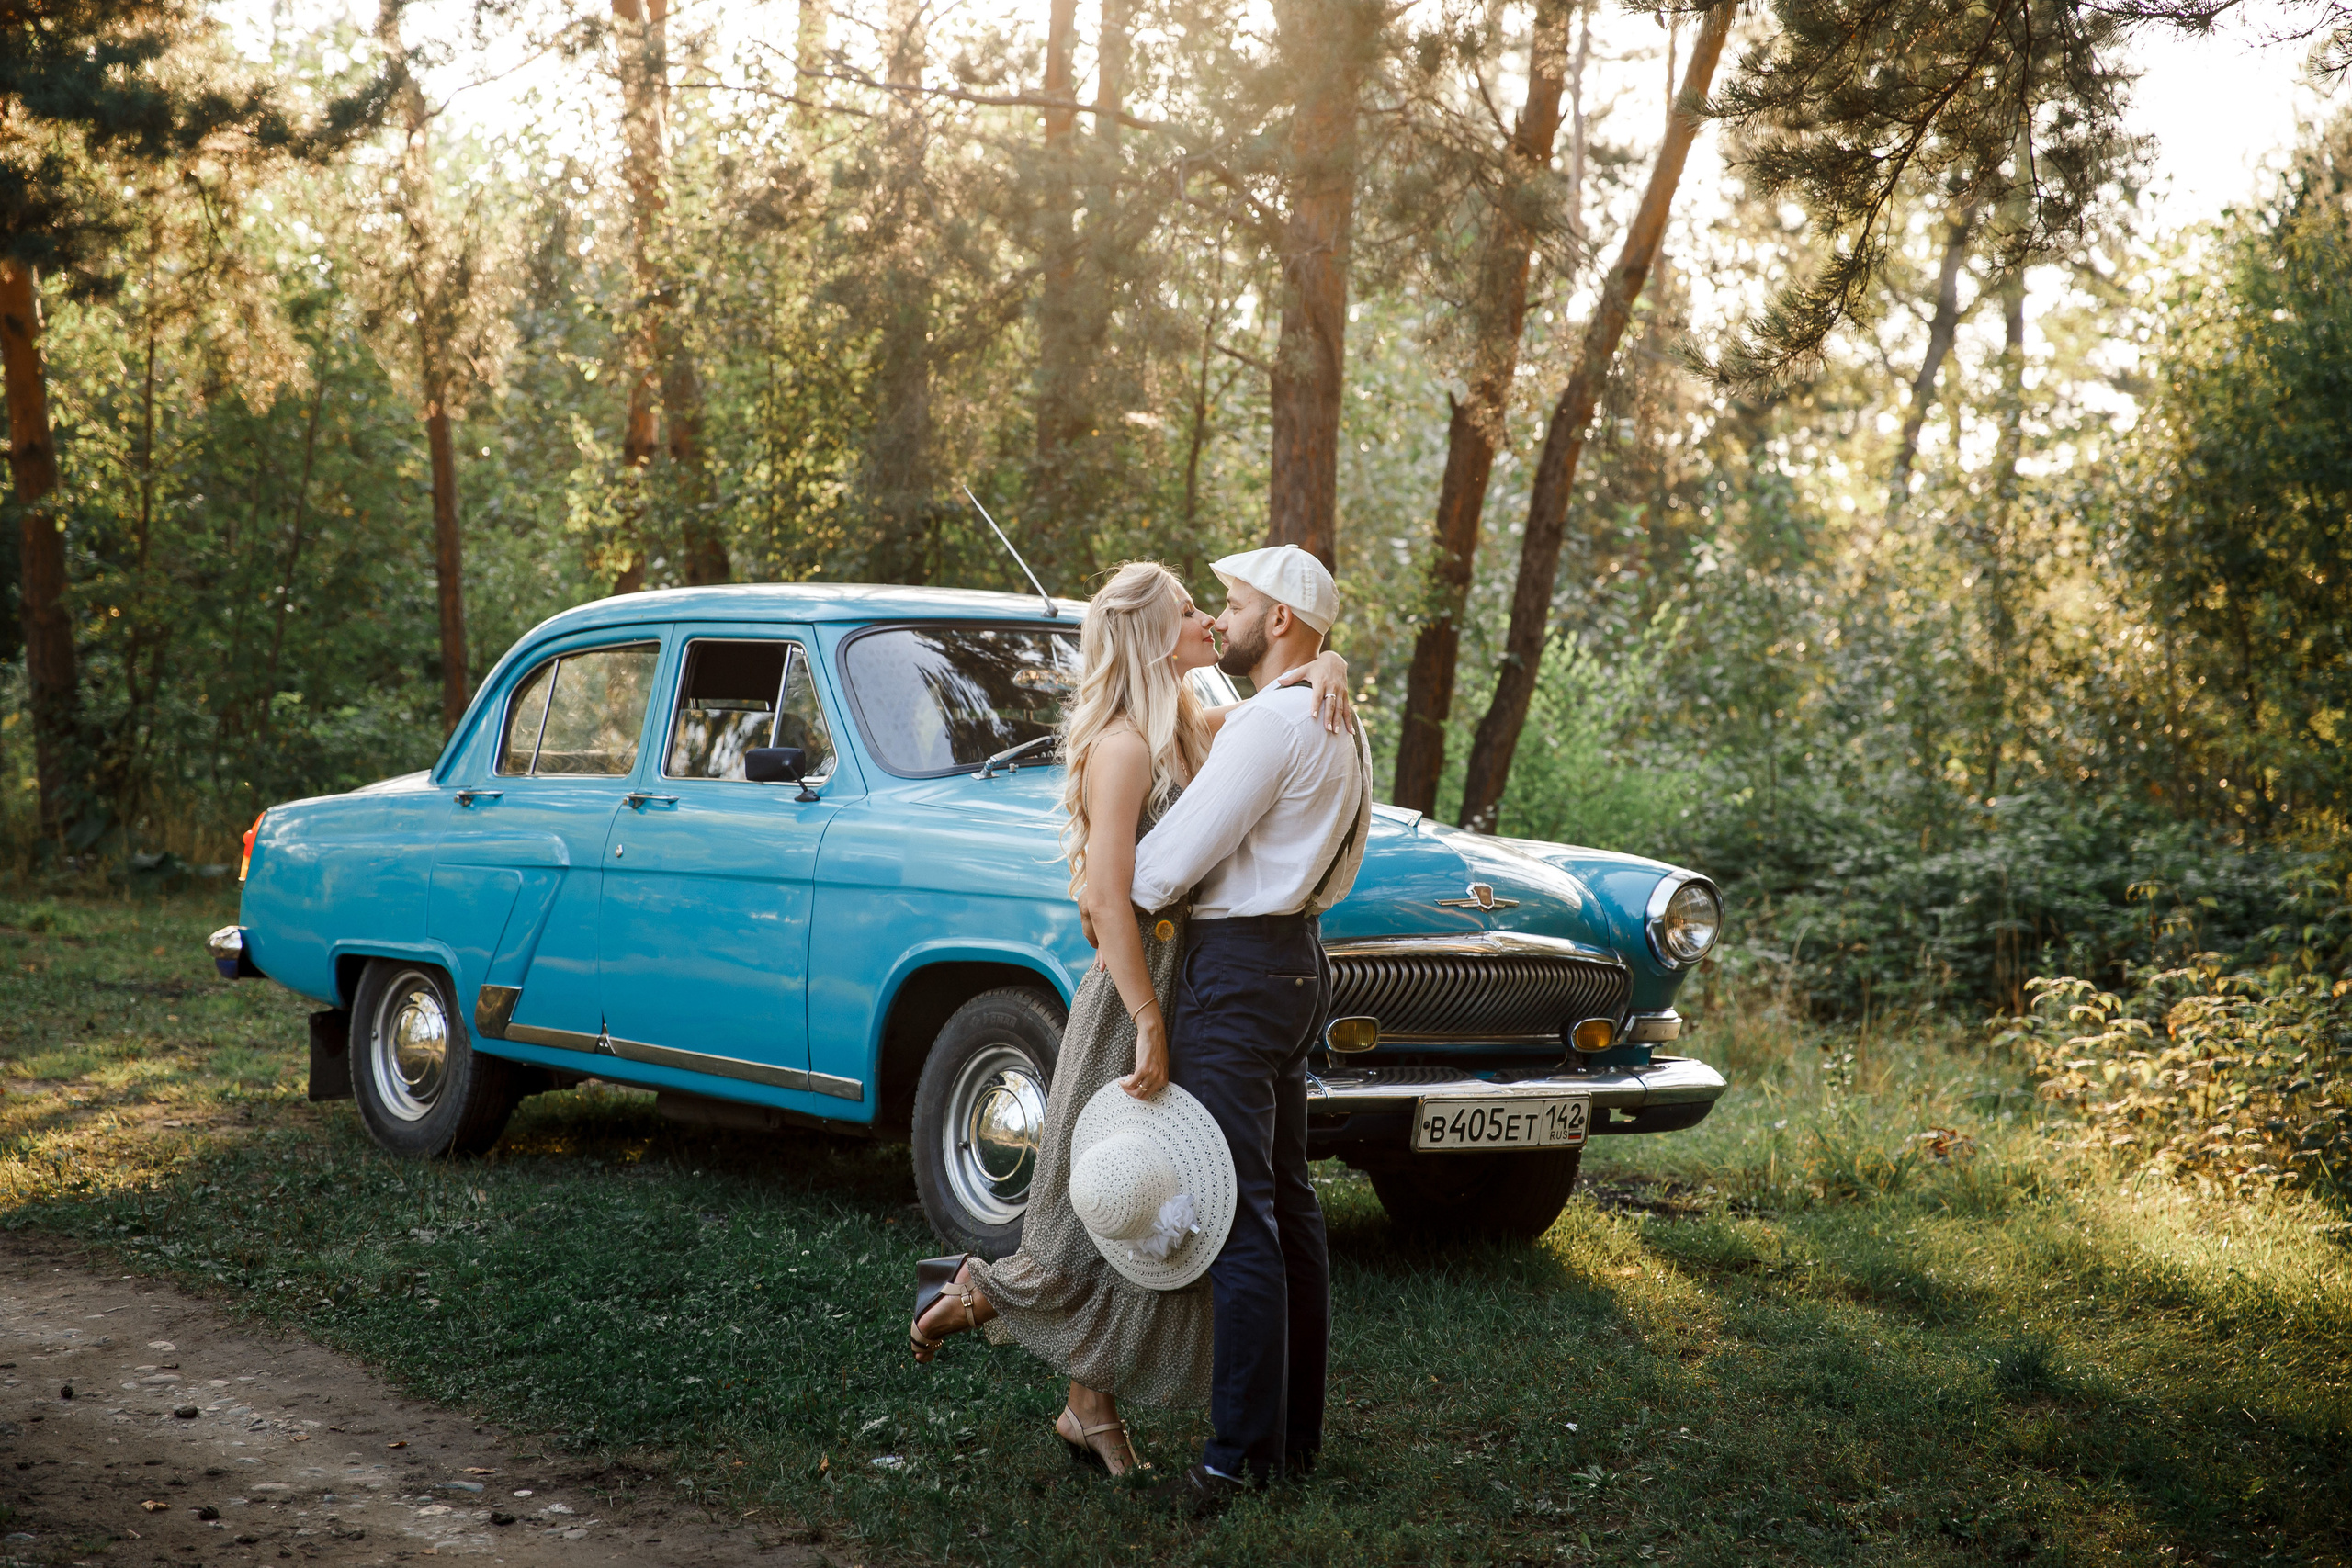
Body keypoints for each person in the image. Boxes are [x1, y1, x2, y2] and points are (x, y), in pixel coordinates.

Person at [906, 559, 1356, 1480]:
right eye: (1191, 610)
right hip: (1138, 988)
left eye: (1214, 607)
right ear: (1153, 636)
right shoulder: (1121, 745)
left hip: (1196, 976)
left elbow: (1270, 712)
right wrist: (1149, 1020)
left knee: (1150, 1200)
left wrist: (1329, 661)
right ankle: (974, 1295)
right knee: (1100, 1203)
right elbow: (1113, 898)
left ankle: (1087, 1401)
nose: (1206, 620)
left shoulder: (1192, 725)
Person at [1127, 543, 1372, 1514]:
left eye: (1231, 604)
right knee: (1290, 1204)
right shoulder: (1336, 715)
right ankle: (1288, 1444)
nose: (1220, 618)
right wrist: (1333, 660)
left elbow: (1161, 870)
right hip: (1301, 960)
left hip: (1236, 973)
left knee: (1239, 1214)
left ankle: (1230, 1460)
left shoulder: (1275, 722)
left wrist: (1117, 866)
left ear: (1278, 622)